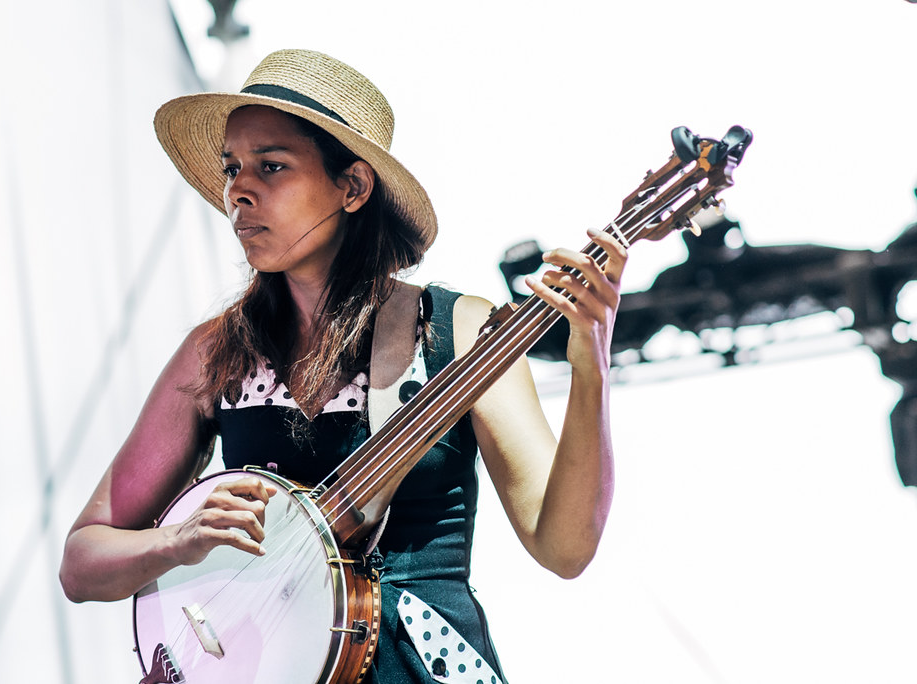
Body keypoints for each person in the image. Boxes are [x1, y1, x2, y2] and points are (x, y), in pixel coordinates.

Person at [60, 48, 626, 683]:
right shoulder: (213, 353)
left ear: (353, 187)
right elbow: (83, 562)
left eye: (271, 166)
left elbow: (565, 547)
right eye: (232, 168)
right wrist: (176, 541)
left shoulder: (459, 329)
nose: (238, 190)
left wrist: (590, 368)